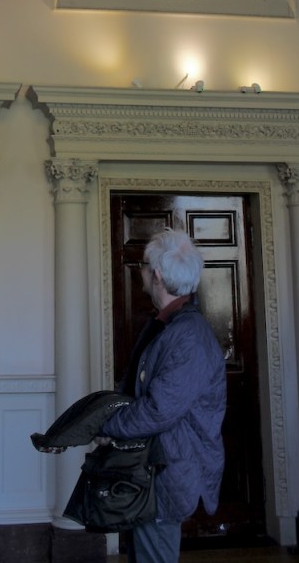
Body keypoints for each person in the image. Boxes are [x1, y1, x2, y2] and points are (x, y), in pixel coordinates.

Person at [99, 227, 227, 563]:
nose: (141, 272)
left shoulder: (188, 335)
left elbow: (158, 409)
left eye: (144, 266)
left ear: (156, 275)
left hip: (168, 473)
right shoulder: (167, 325)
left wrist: (107, 425)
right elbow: (136, 389)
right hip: (155, 470)